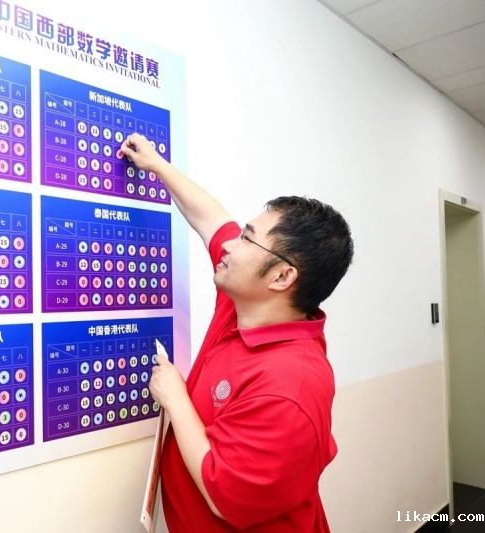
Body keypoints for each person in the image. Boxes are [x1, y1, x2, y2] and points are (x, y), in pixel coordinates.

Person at [118, 133, 353, 532]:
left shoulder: (291, 386)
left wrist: (176, 398)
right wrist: (157, 165)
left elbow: (226, 498)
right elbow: (210, 220)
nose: (230, 246)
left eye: (246, 238)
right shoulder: (243, 307)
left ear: (281, 277)